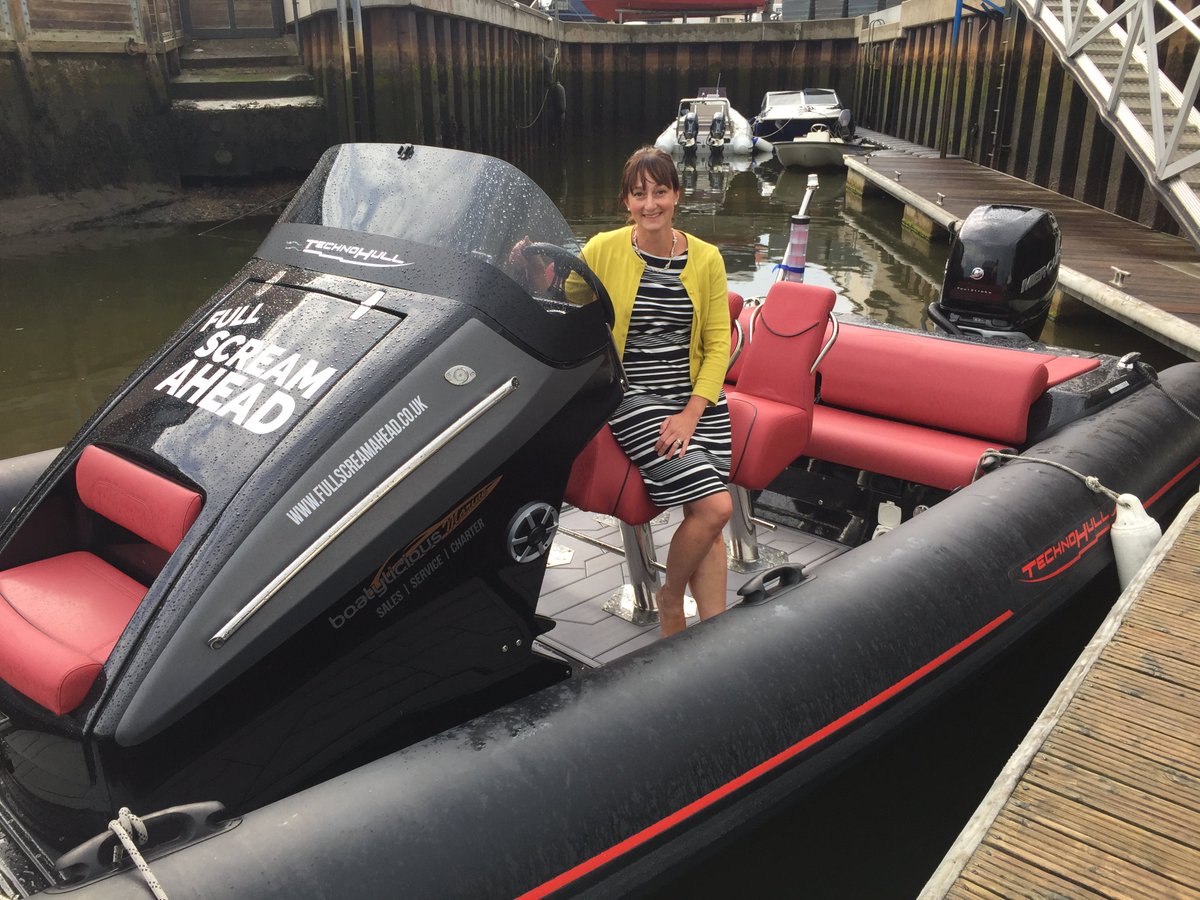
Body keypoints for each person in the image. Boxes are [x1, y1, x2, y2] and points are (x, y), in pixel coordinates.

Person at [581, 146, 733, 637]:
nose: (651, 204)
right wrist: (530, 268)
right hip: (632, 397)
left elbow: (716, 345)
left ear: (677, 196)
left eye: (660, 192)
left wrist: (692, 412)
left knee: (706, 521)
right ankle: (671, 600)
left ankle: (711, 635)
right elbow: (565, 297)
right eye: (639, 194)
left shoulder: (706, 258)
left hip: (695, 399)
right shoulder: (602, 250)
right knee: (717, 507)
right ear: (626, 201)